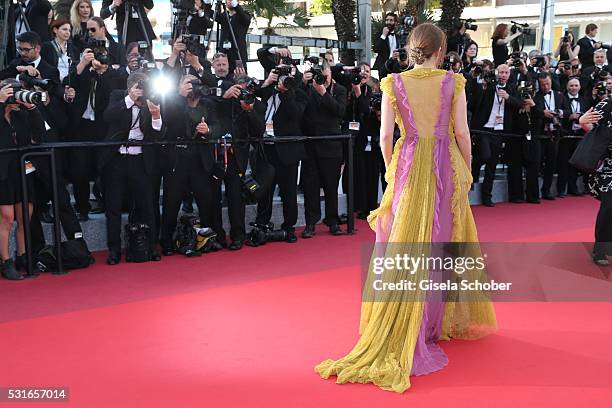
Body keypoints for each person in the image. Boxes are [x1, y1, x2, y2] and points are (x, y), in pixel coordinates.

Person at [314, 23, 497, 393]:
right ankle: (428, 325)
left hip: (409, 167)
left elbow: (385, 137)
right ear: (440, 50)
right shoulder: (453, 83)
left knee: (403, 246)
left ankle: (406, 320)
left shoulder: (392, 83)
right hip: (443, 166)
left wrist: (392, 170)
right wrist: (468, 167)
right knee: (439, 245)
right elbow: (462, 133)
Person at [99, 72, 163, 265]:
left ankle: (151, 247)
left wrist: (156, 115)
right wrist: (130, 99)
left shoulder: (152, 99)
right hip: (117, 160)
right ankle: (114, 250)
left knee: (148, 205)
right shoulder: (118, 96)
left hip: (141, 161)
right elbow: (107, 116)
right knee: (113, 207)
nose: (141, 90)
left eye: (143, 86)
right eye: (137, 86)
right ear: (129, 86)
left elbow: (156, 135)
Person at [0, 80, 43, 280]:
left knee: (26, 217)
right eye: (13, 93)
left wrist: (32, 107)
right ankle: (6, 261)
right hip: (3, 174)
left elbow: (40, 134)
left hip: (23, 170)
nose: (17, 97)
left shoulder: (22, 115)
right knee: (7, 219)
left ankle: (23, 257)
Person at [469, 64, 522, 206]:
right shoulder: (489, 86)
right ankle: (475, 169)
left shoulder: (512, 89)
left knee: (492, 164)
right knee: (485, 155)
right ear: (496, 73)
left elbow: (519, 104)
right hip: (484, 128)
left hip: (499, 131)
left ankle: (487, 196)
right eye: (501, 72)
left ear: (509, 75)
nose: (503, 75)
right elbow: (475, 103)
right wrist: (479, 82)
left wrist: (508, 97)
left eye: (506, 72)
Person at [579, 102, 612, 266]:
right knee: (609, 205)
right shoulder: (606, 104)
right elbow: (588, 124)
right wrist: (583, 121)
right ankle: (600, 249)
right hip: (608, 166)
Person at [214, 0, 251, 74]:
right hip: (225, 54)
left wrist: (236, 6)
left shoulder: (243, 15)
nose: (229, 2)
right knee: (224, 75)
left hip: (238, 53)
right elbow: (213, 16)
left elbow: (245, 19)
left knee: (240, 76)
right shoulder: (224, 15)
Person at [373, 12, 399, 78]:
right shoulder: (379, 34)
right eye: (387, 20)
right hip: (382, 67)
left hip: (395, 68)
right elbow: (376, 49)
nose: (388, 22)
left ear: (395, 22)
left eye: (391, 20)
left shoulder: (398, 37)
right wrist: (383, 35)